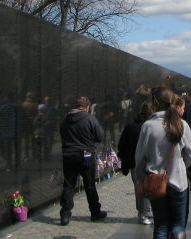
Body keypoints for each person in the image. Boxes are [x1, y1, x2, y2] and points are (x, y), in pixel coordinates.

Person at [134, 87, 191, 239]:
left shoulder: (148, 126)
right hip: (178, 183)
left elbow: (140, 158)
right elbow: (190, 156)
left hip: (155, 181)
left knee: (161, 225)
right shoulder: (182, 124)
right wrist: (179, 168)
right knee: (178, 225)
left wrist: (140, 179)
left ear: (155, 102)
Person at [59, 96, 107, 225]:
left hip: (69, 154)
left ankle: (65, 213)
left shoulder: (66, 119)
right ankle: (95, 212)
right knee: (89, 184)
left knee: (69, 184)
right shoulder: (89, 118)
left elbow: (62, 134)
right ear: (87, 107)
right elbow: (99, 136)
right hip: (86, 155)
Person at [117, 102, 154, 224]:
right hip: (150, 161)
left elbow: (122, 145)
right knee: (148, 187)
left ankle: (141, 212)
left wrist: (124, 161)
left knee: (139, 187)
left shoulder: (131, 126)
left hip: (134, 162)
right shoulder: (152, 126)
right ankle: (147, 212)